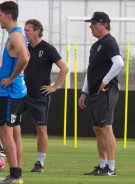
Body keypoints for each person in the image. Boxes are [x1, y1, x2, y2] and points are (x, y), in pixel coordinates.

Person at [79, 11, 124, 176]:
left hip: (106, 90)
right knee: (98, 128)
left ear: (104, 24)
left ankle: (111, 168)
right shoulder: (96, 45)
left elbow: (119, 63)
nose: (90, 26)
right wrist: (84, 91)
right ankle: (103, 165)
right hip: (95, 92)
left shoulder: (109, 42)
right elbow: (91, 71)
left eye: (93, 23)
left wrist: (105, 80)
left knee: (105, 128)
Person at [23, 19, 69, 173]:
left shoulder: (47, 48)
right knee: (7, 123)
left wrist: (55, 87)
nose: (25, 33)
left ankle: (39, 163)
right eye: (25, 30)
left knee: (41, 128)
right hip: (21, 93)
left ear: (37, 30)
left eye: (28, 30)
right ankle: (6, 154)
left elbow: (64, 68)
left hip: (39, 96)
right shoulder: (24, 47)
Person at [0, 1, 30, 183]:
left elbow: (25, 57)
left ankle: (15, 175)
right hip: (15, 92)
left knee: (5, 132)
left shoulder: (15, 35)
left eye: (0, 15)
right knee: (14, 132)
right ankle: (16, 173)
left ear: (8, 15)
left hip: (10, 92)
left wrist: (11, 78)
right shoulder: (17, 35)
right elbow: (27, 55)